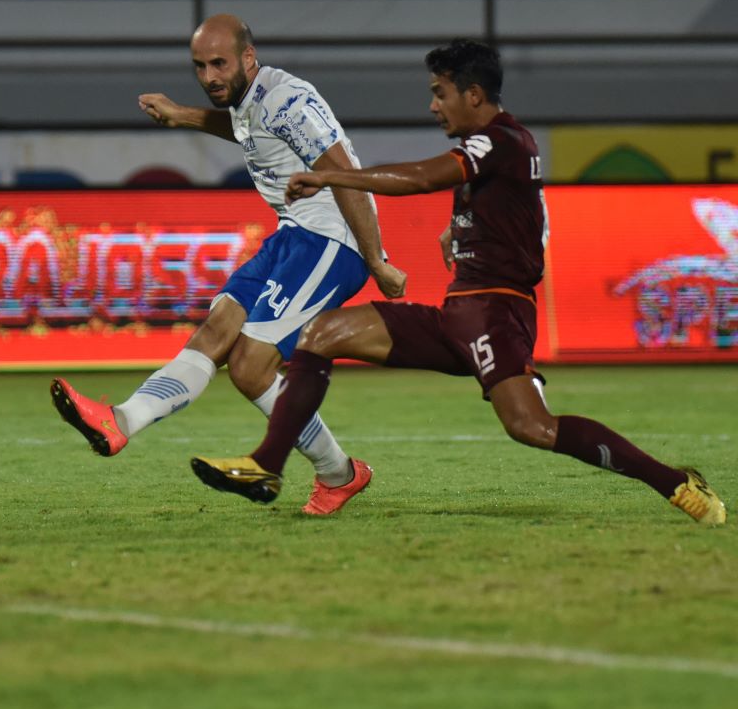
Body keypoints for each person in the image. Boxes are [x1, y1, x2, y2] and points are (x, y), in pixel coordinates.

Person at [191, 38, 726, 526]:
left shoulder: (501, 140)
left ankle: (675, 482)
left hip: (496, 314)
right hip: (461, 313)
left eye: (440, 93)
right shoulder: (498, 147)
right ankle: (269, 465)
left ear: (472, 94)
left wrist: (331, 174)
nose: (433, 105)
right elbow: (521, 208)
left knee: (532, 428)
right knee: (322, 332)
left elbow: (423, 178)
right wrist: (460, 227)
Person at [50, 14, 407, 516]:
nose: (209, 76)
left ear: (248, 57)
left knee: (250, 364)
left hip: (332, 240)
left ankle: (337, 474)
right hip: (293, 235)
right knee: (217, 332)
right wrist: (182, 115)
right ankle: (121, 421)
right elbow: (246, 130)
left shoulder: (287, 98)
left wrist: (377, 260)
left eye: (219, 63)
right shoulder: (248, 100)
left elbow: (344, 173)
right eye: (199, 66)